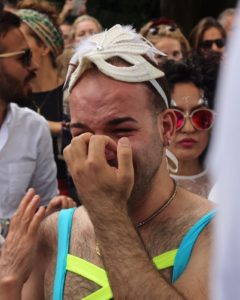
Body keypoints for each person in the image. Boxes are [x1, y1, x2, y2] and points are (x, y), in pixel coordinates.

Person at [22, 24, 215, 299]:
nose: (99, 148)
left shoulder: (218, 234)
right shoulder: (53, 234)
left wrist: (107, 210)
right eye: (82, 133)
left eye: (121, 129)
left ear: (167, 128)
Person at [0, 8, 58, 224]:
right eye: (24, 57)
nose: (34, 65)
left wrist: (60, 211)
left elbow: (47, 210)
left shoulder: (33, 127)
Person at [17, 2, 69, 194]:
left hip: (73, 201)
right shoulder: (9, 96)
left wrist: (43, 125)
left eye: (20, 40)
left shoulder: (75, 92)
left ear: (44, 47)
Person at [162, 58, 216, 197]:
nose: (188, 128)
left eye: (201, 117)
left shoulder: (228, 182)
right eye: (175, 117)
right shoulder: (139, 185)